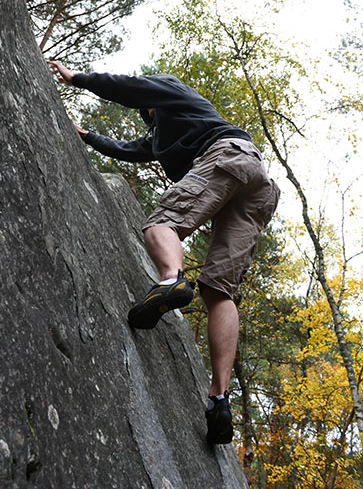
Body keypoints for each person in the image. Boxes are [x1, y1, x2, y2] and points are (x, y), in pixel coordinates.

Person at [49, 61, 280, 445]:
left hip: (226, 156)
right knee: (218, 291)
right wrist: (86, 134)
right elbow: (129, 150)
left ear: (152, 103)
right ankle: (219, 400)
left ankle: (171, 280)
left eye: (148, 105)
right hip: (257, 185)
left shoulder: (173, 92)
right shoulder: (162, 136)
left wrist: (80, 80)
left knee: (162, 224)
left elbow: (132, 86)